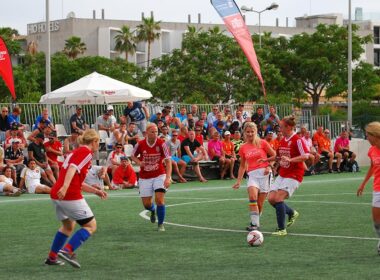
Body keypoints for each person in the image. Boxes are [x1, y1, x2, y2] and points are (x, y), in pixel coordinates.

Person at [45, 129, 108, 267]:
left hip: (57, 193)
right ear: (94, 141)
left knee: (68, 226)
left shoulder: (75, 152)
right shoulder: (86, 152)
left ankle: (52, 257)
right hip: (68, 195)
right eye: (99, 142)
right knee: (91, 226)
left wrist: (95, 191)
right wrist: (66, 187)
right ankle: (67, 251)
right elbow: (72, 168)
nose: (99, 145)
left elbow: (77, 180)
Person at [268, 116, 309, 236]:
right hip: (283, 174)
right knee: (271, 199)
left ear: (289, 127)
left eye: (281, 126)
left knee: (279, 198)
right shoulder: (282, 140)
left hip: (295, 174)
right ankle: (291, 212)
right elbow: (279, 156)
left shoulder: (298, 140)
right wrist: (266, 160)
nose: (279, 129)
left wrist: (291, 160)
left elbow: (306, 156)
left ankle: (282, 229)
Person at [233, 122, 276, 231]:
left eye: (252, 131)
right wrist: (238, 181)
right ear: (244, 133)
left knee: (260, 203)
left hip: (265, 175)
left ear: (256, 132)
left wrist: (269, 166)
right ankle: (254, 225)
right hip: (252, 175)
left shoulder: (262, 143)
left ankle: (255, 223)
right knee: (252, 197)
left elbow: (274, 156)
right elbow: (242, 165)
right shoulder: (243, 147)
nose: (250, 134)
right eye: (248, 132)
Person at [131, 123, 172, 232]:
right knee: (146, 204)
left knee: (159, 200)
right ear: (146, 133)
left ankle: (161, 224)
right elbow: (133, 156)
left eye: (156, 132)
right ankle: (152, 210)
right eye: (152, 132)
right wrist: (139, 163)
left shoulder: (161, 144)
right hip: (145, 177)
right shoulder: (140, 144)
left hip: (159, 174)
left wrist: (168, 177)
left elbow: (168, 161)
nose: (155, 134)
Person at [357, 122, 380, 255]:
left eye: (367, 136)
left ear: (375, 135)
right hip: (378, 188)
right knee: (377, 222)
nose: (367, 139)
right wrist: (363, 184)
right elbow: (372, 167)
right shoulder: (372, 151)